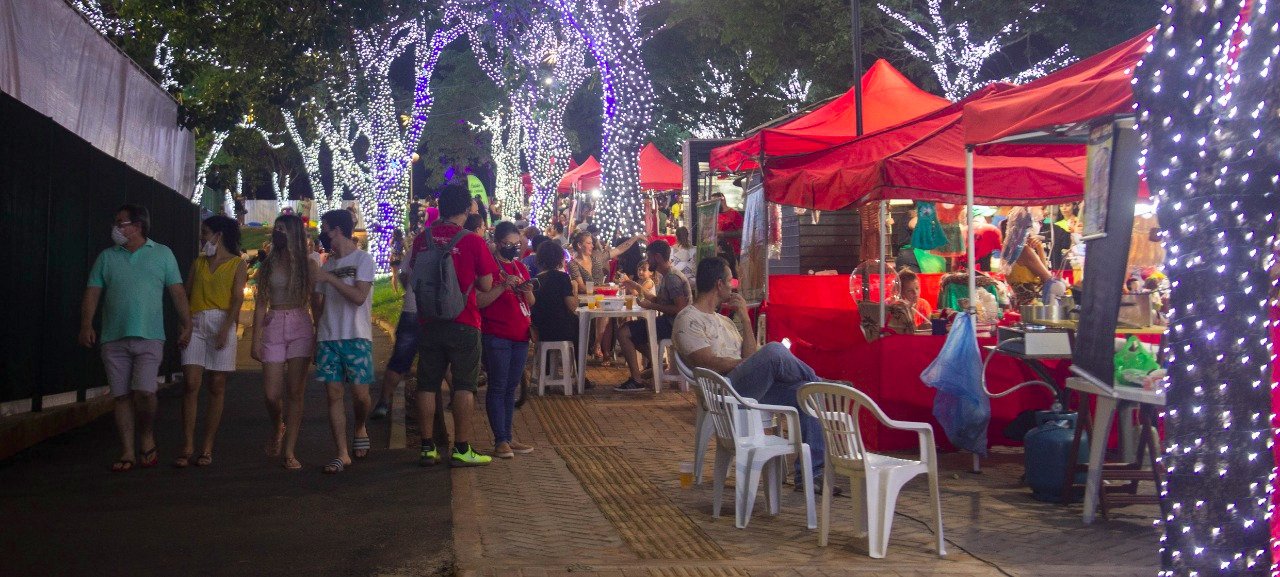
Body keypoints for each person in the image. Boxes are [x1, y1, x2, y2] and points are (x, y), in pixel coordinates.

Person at [674, 257, 829, 492]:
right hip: (723, 390)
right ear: (719, 285)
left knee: (807, 394)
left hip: (747, 388)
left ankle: (811, 475)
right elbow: (706, 362)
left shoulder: (725, 321)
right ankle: (822, 382)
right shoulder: (688, 319)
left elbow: (751, 355)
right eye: (730, 281)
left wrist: (745, 319)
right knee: (775, 350)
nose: (733, 286)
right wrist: (748, 363)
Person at [79, 204, 191, 472]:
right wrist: (86, 324)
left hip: (150, 334)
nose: (116, 228)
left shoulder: (162, 254)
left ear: (137, 226)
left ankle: (147, 434)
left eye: (121, 223)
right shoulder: (107, 257)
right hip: (113, 336)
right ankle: (128, 450)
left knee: (145, 391)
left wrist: (186, 322)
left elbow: (176, 291)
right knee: (121, 395)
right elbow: (93, 292)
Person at [410, 183, 498, 467]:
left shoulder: (422, 239)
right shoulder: (472, 240)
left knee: (427, 383)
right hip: (464, 321)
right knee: (464, 385)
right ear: (466, 208)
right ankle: (461, 447)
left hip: (429, 320)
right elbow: (486, 283)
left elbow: (412, 277)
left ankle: (427, 447)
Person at [176, 215, 248, 468]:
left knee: (217, 384)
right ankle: (187, 444)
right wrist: (184, 326)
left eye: (205, 233)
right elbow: (185, 294)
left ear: (219, 235)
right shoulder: (199, 262)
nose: (202, 238)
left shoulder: (238, 265)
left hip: (222, 322)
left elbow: (237, 299)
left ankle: (206, 447)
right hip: (196, 323)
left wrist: (226, 329)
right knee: (191, 382)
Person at [312, 210, 377, 474]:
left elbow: (359, 297)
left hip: (357, 336)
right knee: (333, 395)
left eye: (326, 228)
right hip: (329, 337)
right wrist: (317, 331)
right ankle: (341, 452)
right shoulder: (326, 265)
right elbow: (318, 301)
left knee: (361, 396)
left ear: (337, 230)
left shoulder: (363, 260)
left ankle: (360, 426)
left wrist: (330, 279)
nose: (323, 234)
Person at [252, 214, 317, 470]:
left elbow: (315, 301)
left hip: (300, 323)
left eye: (282, 229)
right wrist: (254, 339)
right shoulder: (267, 264)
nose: (277, 233)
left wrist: (319, 333)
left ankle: (290, 450)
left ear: (293, 233)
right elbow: (260, 304)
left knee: (295, 392)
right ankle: (277, 423)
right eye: (275, 229)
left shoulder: (307, 264)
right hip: (274, 322)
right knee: (271, 394)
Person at [477, 222, 537, 459]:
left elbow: (530, 302)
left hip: (520, 335)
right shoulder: (490, 268)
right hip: (497, 335)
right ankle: (500, 439)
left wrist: (526, 289)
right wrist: (503, 285)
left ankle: (508, 436)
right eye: (509, 244)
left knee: (511, 388)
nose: (514, 248)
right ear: (499, 243)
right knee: (498, 386)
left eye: (518, 243)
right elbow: (481, 300)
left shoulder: (520, 266)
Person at [615, 240, 691, 392]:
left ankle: (637, 380)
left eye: (649, 257)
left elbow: (680, 308)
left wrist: (651, 306)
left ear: (657, 257)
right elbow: (659, 300)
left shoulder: (672, 278)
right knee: (629, 331)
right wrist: (636, 286)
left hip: (675, 325)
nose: (647, 262)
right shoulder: (667, 275)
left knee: (623, 332)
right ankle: (656, 365)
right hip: (671, 322)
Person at [371, 244, 421, 421]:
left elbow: (403, 275)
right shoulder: (451, 243)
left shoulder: (419, 243)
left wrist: (411, 292)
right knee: (442, 359)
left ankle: (383, 402)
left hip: (412, 308)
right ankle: (455, 399)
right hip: (437, 312)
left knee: (399, 360)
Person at [389, 228, 406, 294]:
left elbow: (391, 248)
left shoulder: (391, 240)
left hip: (392, 258)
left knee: (394, 275)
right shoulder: (402, 241)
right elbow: (406, 249)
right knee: (404, 273)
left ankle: (396, 291)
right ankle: (405, 288)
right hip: (400, 258)